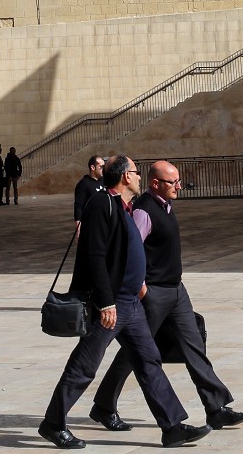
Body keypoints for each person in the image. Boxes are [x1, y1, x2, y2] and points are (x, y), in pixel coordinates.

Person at [38, 155, 210, 451]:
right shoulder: (100, 205)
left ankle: (172, 427)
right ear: (124, 177)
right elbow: (95, 258)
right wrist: (105, 303)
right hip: (111, 305)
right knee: (84, 366)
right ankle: (53, 423)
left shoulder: (122, 205)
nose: (140, 176)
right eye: (136, 172)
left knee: (148, 361)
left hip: (130, 304)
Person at [91, 160, 243, 433]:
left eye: (178, 180)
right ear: (156, 183)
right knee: (136, 353)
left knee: (194, 347)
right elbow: (130, 251)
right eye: (173, 181)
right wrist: (141, 287)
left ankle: (216, 408)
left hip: (176, 292)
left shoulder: (165, 205)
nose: (179, 186)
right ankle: (105, 405)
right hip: (153, 294)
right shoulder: (144, 211)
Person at [73, 155, 105, 232]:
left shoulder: (105, 181)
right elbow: (78, 207)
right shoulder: (83, 184)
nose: (103, 169)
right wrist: (79, 229)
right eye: (101, 167)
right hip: (91, 225)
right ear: (93, 167)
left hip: (104, 223)